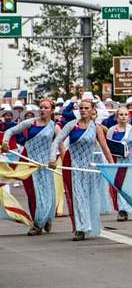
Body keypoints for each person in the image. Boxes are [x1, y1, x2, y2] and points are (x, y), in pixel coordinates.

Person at [49, 93, 115, 240]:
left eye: (86, 108)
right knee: (79, 197)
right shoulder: (72, 125)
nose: (83, 110)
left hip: (90, 169)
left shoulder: (96, 128)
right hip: (75, 168)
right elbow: (56, 142)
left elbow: (105, 148)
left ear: (92, 110)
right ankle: (81, 228)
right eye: (81, 108)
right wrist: (52, 159)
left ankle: (89, 225)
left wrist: (112, 166)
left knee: (90, 197)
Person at [1, 98, 59, 235]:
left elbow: (58, 145)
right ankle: (38, 222)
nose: (42, 110)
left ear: (52, 110)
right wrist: (5, 142)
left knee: (47, 192)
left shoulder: (55, 127)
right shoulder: (30, 123)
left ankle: (43, 221)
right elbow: (10, 131)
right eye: (41, 107)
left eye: (46, 107)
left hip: (45, 164)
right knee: (34, 193)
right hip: (29, 163)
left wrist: (54, 160)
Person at [107, 106, 132, 221]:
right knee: (120, 186)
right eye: (121, 115)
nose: (123, 117)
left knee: (130, 186)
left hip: (130, 162)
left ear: (129, 117)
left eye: (125, 114)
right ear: (117, 117)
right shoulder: (112, 130)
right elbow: (108, 147)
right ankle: (122, 210)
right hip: (118, 162)